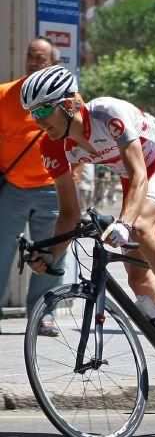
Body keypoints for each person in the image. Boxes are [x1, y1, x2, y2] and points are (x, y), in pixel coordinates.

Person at [21, 65, 155, 340]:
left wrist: (124, 222)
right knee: (138, 278)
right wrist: (51, 255)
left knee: (140, 227)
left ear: (69, 103)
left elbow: (139, 174)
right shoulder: (51, 146)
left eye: (44, 110)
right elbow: (70, 213)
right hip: (132, 181)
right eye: (33, 113)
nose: (38, 120)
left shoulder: (108, 113)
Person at [0, 37, 64, 336]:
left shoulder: (67, 98)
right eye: (30, 56)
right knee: (1, 252)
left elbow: (76, 137)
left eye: (40, 57)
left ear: (53, 62)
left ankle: (43, 315)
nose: (33, 61)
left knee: (51, 255)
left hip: (53, 189)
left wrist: (72, 180)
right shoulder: (5, 94)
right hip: (12, 188)